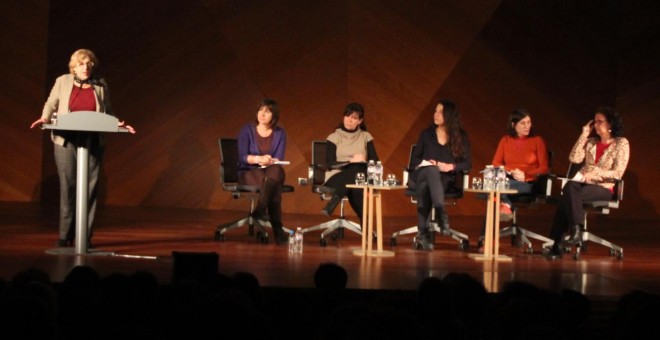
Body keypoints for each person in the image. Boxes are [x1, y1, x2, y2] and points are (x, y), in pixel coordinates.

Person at [30, 49, 136, 248]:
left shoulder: (100, 84)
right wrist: (45, 118)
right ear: (73, 67)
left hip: (93, 141)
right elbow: (52, 102)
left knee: (90, 189)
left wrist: (118, 124)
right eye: (80, 64)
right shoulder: (63, 81)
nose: (85, 67)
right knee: (68, 187)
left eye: (88, 64)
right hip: (66, 140)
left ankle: (84, 236)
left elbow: (108, 110)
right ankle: (65, 234)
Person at [545, 106, 629, 259]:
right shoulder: (591, 142)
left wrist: (595, 174)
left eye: (599, 121)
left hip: (603, 187)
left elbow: (618, 173)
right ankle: (575, 231)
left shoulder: (621, 143)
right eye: (594, 121)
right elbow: (574, 158)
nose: (595, 125)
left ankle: (558, 243)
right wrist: (583, 135)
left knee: (567, 197)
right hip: (582, 184)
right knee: (570, 188)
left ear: (610, 124)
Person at [410, 99, 471, 250]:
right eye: (435, 111)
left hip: (443, 179)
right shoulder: (426, 134)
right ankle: (440, 211)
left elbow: (467, 164)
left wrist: (451, 166)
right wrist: (426, 163)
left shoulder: (460, 136)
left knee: (426, 187)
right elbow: (414, 160)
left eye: (440, 112)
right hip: (421, 174)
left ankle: (423, 233)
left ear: (449, 115)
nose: (435, 114)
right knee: (430, 170)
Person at [237, 98, 289, 245]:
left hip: (270, 171)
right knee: (273, 185)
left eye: (267, 111)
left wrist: (269, 160)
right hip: (249, 171)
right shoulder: (246, 130)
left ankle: (261, 208)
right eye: (260, 110)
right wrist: (258, 159)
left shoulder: (280, 133)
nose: (262, 114)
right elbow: (242, 156)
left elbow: (279, 157)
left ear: (274, 115)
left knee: (276, 171)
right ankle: (278, 230)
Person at [321, 102, 379, 221]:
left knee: (357, 174)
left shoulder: (365, 136)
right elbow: (329, 163)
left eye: (354, 118)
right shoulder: (333, 137)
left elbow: (375, 160)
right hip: (337, 175)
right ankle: (366, 227)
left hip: (360, 175)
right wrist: (350, 161)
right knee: (356, 181)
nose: (349, 120)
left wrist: (362, 161)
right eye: (347, 116)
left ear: (360, 121)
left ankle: (333, 203)